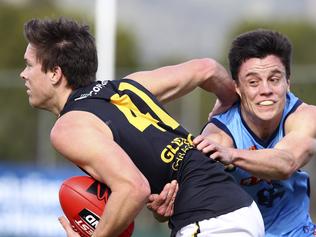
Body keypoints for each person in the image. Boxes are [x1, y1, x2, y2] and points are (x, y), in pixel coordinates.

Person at [20, 18, 264, 237]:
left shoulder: (68, 127)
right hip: (231, 210)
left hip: (212, 220)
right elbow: (207, 69)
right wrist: (228, 103)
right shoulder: (127, 88)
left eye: (29, 65)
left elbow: (133, 188)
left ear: (55, 73)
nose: (23, 74)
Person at [151, 29, 316, 236]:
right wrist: (165, 205)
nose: (266, 89)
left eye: (274, 79)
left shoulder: (306, 116)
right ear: (237, 88)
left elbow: (287, 162)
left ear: (287, 83)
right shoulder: (218, 135)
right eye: (253, 82)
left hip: (298, 231)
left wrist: (232, 155)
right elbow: (174, 203)